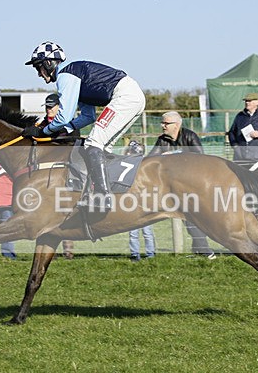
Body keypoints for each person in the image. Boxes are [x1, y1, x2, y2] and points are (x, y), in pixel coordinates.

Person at [23, 41, 146, 211]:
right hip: (131, 96)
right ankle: (110, 190)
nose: (38, 74)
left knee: (93, 143)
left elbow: (64, 116)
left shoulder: (66, 75)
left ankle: (103, 197)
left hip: (125, 96)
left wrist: (43, 131)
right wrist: (64, 130)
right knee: (102, 147)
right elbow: (88, 116)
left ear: (48, 63)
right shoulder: (73, 76)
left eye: (38, 67)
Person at [148, 112, 216, 259]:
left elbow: (201, 158)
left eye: (166, 123)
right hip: (173, 187)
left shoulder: (190, 136)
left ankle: (205, 251)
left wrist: (173, 157)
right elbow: (150, 159)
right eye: (162, 123)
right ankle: (201, 249)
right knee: (189, 218)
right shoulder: (162, 140)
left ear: (177, 125)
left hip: (193, 185)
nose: (163, 126)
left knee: (193, 218)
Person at [36, 93, 76, 258]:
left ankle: (68, 249)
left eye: (51, 106)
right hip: (44, 176)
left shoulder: (69, 123)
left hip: (65, 174)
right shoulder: (41, 124)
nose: (48, 109)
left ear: (60, 107)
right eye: (47, 107)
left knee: (64, 210)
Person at [227, 93, 258, 170]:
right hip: (240, 157)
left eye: (249, 101)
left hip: (257, 156)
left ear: (257, 102)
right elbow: (231, 132)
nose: (247, 103)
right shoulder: (240, 116)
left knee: (257, 176)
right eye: (246, 101)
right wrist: (235, 145)